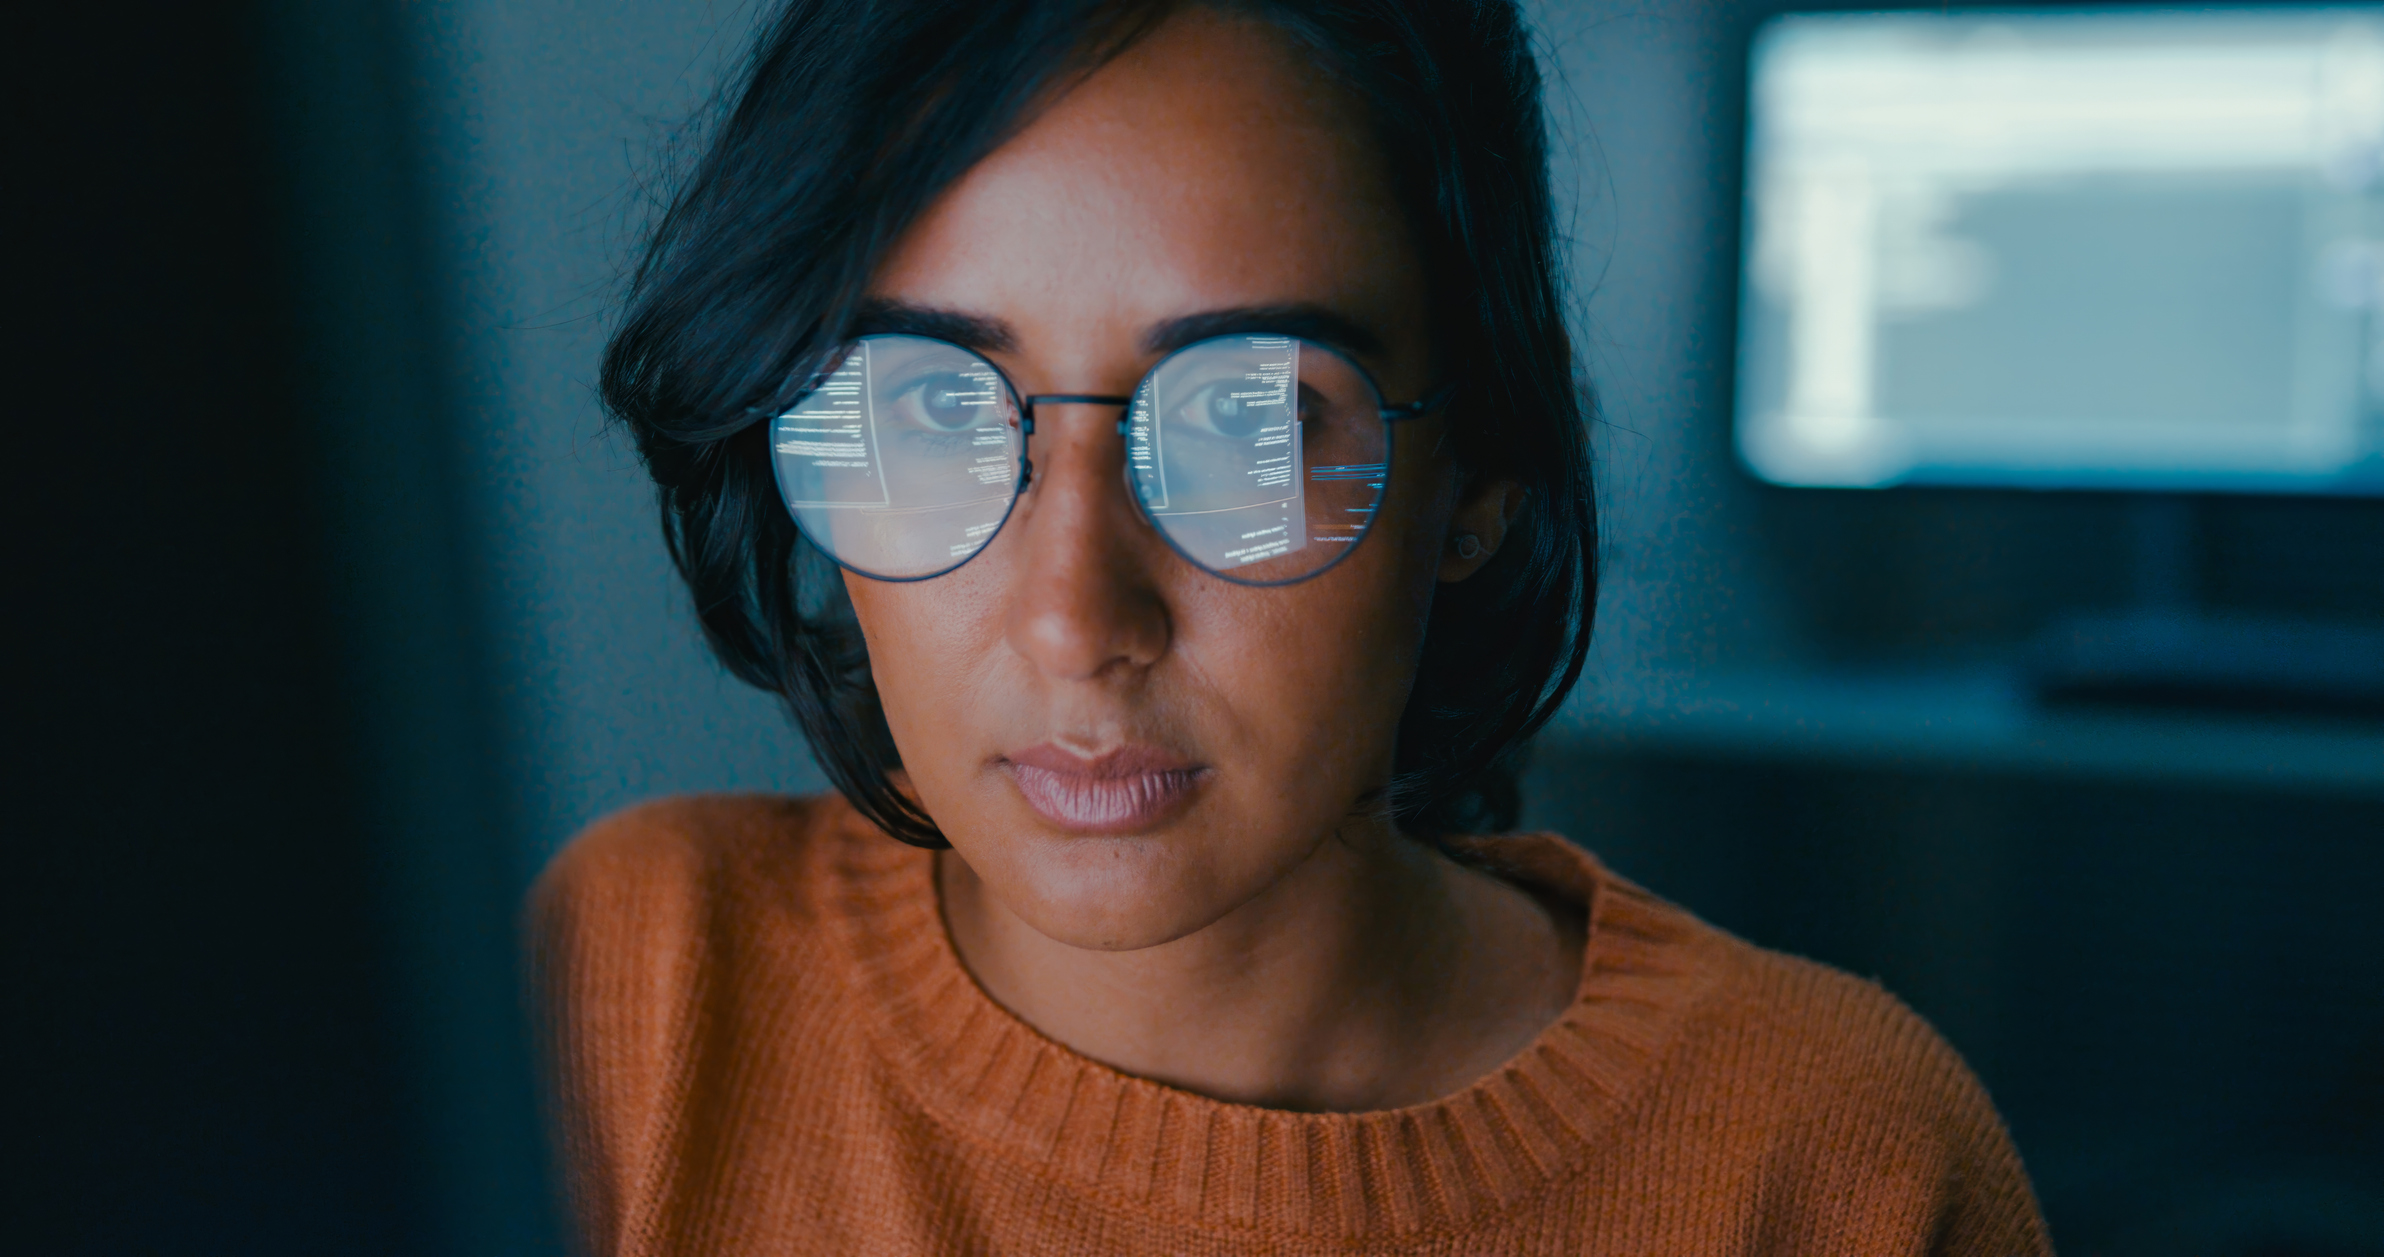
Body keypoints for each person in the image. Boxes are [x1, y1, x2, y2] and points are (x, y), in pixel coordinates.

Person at [532, 1, 2052, 1252]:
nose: (1076, 620)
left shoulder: (1838, 1166)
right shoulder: (633, 995)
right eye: (921, 407)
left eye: (1250, 423)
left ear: (1481, 476)